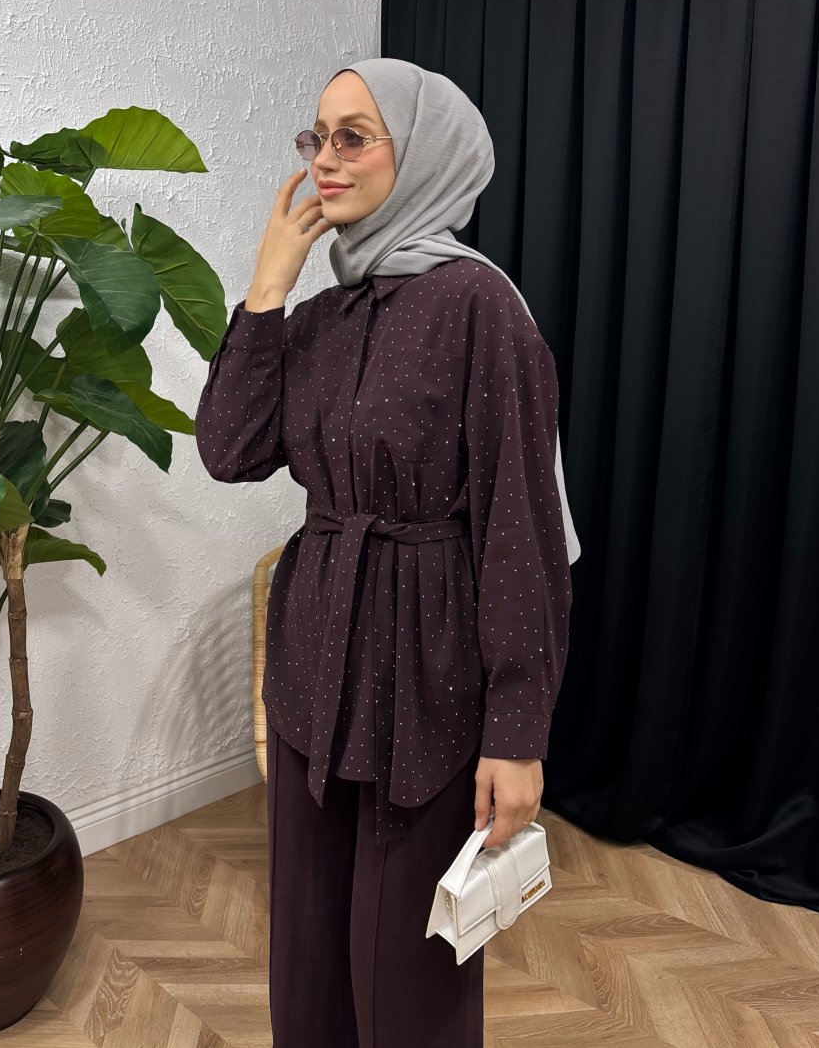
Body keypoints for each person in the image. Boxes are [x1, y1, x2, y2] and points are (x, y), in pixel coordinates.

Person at [195, 57, 580, 1047]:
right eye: (316, 137)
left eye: (353, 137)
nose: (324, 159)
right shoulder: (318, 316)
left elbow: (520, 531)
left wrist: (518, 731)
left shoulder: (480, 307)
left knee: (409, 968)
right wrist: (267, 287)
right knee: (309, 953)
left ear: (424, 154)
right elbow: (229, 449)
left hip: (429, 675)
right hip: (314, 664)